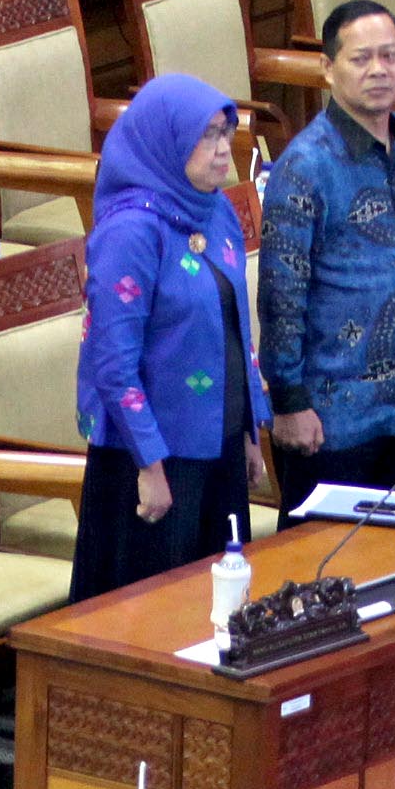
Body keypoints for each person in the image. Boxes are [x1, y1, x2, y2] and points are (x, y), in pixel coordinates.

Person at [70, 75, 266, 604]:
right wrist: (149, 467)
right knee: (158, 617)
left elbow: (234, 323)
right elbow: (113, 364)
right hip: (151, 460)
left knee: (222, 611)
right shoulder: (130, 232)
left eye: (227, 133)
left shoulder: (215, 209)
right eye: (207, 136)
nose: (224, 150)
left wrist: (249, 430)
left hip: (218, 443)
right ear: (168, 140)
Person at [258, 2, 395, 509]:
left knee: (387, 558)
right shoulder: (304, 167)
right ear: (327, 68)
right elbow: (280, 295)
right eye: (361, 59)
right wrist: (289, 402)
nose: (379, 69)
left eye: (390, 56)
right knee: (320, 569)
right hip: (330, 416)